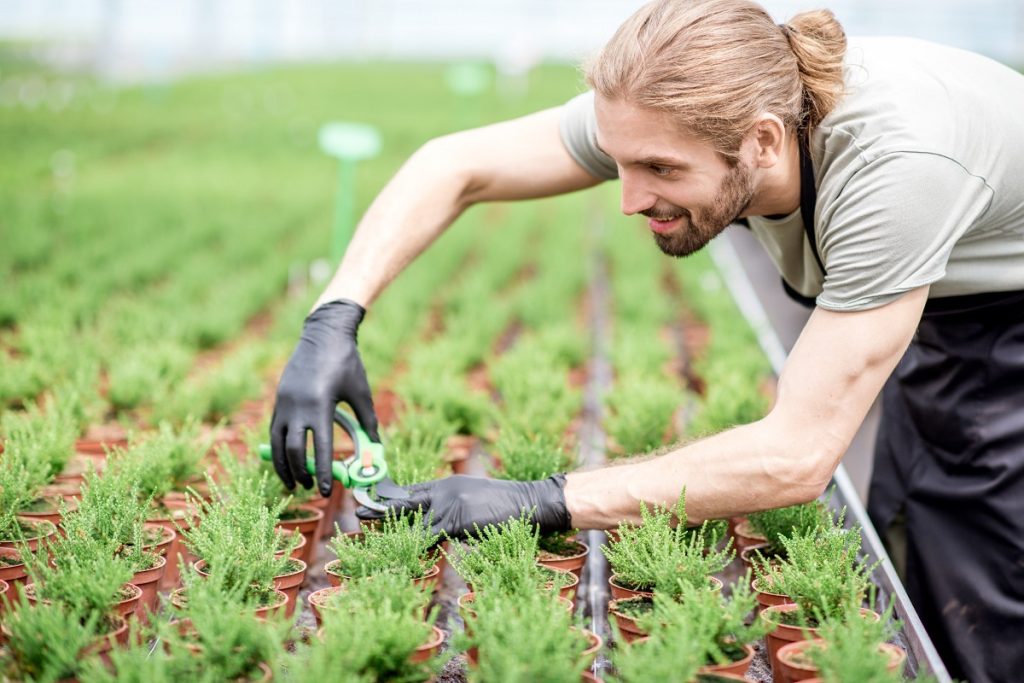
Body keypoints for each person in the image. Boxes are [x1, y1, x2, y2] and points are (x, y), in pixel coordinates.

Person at [269, 1, 1024, 680]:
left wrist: (543, 498)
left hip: (1008, 336)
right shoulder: (702, 116)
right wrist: (334, 315)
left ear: (762, 141)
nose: (629, 198)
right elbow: (454, 165)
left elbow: (796, 456)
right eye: (619, 160)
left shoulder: (896, 172)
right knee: (915, 525)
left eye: (660, 169)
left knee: (990, 586)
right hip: (948, 307)